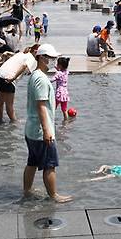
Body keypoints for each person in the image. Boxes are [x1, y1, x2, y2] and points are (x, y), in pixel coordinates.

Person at [23, 44, 72, 202]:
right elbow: (41, 106)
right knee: (50, 165)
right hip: (40, 131)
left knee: (32, 161)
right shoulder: (41, 80)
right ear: (42, 58)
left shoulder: (35, 75)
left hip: (31, 130)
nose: (54, 61)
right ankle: (54, 195)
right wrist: (47, 130)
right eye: (52, 58)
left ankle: (27, 190)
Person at [0, 44, 38, 123]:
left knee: (0, 101)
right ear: (35, 52)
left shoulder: (22, 53)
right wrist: (14, 78)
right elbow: (24, 66)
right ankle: (14, 123)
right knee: (9, 105)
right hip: (9, 78)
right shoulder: (31, 58)